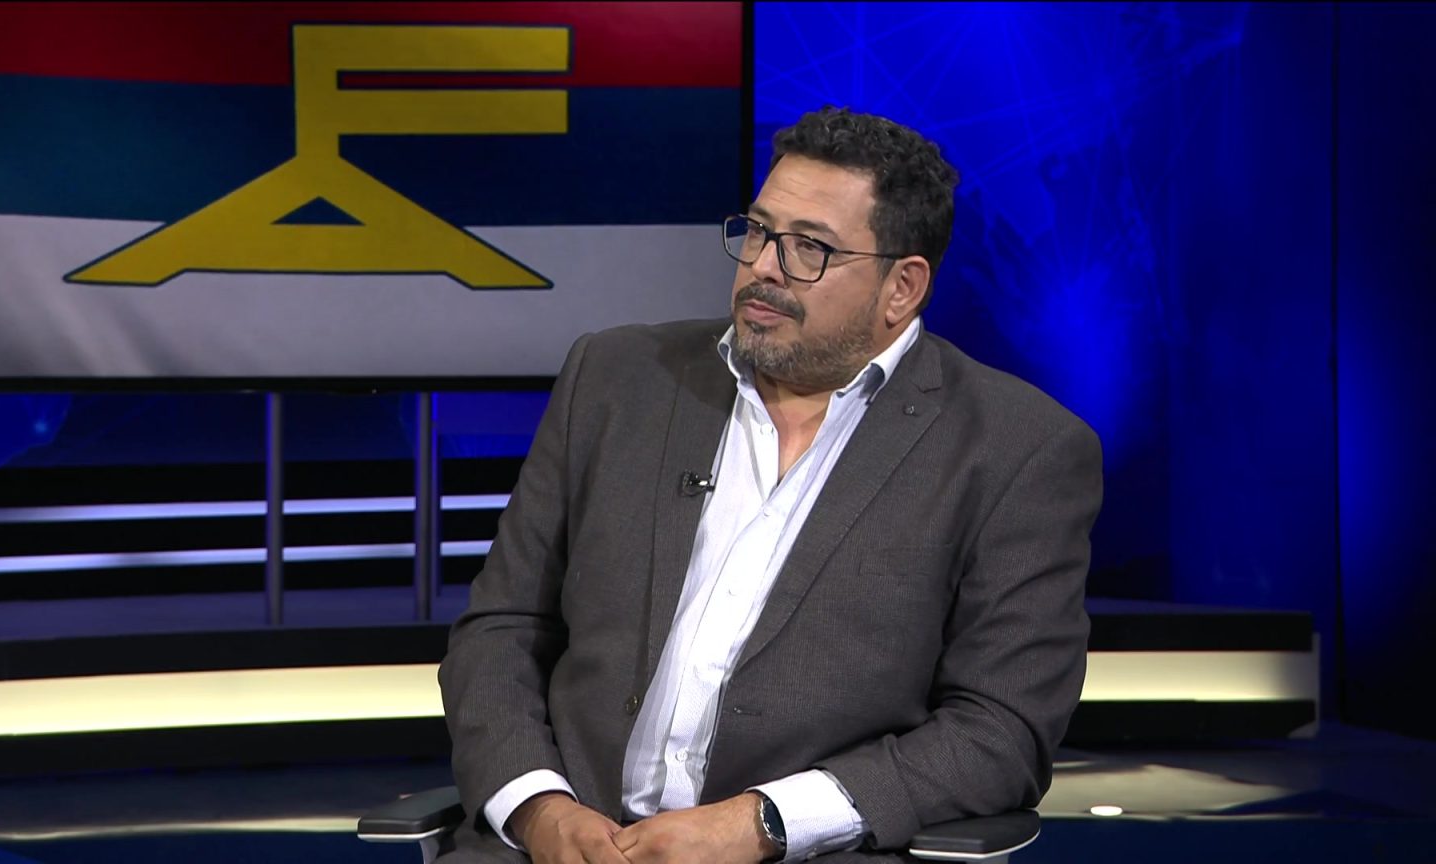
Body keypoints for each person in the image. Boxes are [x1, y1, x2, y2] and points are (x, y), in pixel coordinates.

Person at [437, 107, 1103, 863]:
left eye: (810, 248)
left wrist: (761, 825)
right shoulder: (615, 380)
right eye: (758, 231)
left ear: (902, 287)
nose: (763, 267)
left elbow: (1000, 731)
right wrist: (537, 809)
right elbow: (500, 630)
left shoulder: (1016, 450)